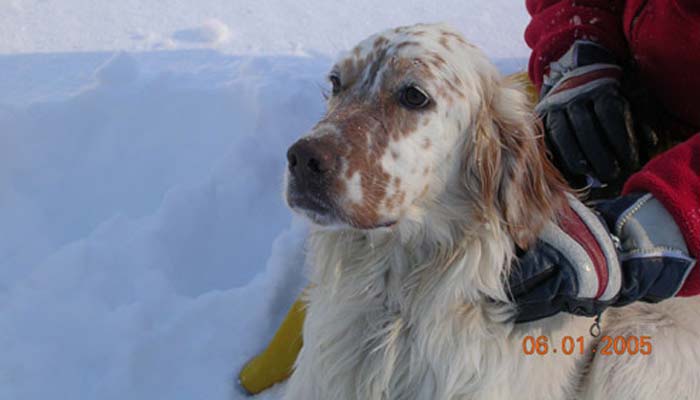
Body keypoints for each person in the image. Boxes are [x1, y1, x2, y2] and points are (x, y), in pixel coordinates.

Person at [239, 1, 700, 393]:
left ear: (494, 159)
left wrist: (651, 235)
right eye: (339, 87)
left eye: (413, 98)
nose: (315, 144)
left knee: (639, 361)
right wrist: (578, 55)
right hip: (618, 94)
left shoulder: (500, 146)